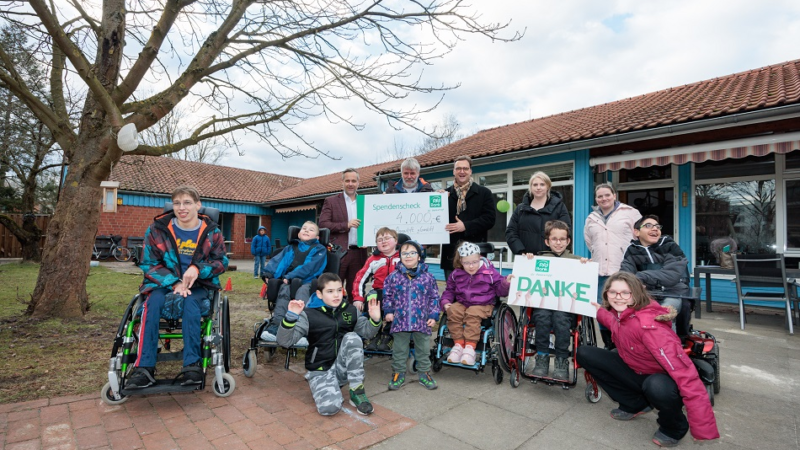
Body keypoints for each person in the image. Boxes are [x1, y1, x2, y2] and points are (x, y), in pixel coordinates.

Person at [577, 272, 719, 447]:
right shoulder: (622, 314)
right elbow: (610, 320)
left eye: (625, 292)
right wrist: (586, 303)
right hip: (636, 370)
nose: (618, 297)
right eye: (612, 292)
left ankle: (674, 427)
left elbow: (687, 376)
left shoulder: (650, 327)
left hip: (661, 379)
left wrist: (703, 427)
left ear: (636, 293)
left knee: (656, 386)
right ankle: (634, 403)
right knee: (585, 353)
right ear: (606, 294)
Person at [127, 186, 228, 388]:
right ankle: (144, 368)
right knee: (151, 303)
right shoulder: (157, 229)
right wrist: (174, 282)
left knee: (191, 304)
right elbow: (148, 263)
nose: (182, 208)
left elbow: (221, 262)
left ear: (198, 205)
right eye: (177, 203)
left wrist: (198, 269)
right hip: (164, 283)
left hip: (198, 285)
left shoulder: (211, 232)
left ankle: (192, 364)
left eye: (187, 202)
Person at [277, 273, 382, 416]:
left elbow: (367, 333)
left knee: (352, 338)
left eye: (339, 290)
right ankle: (328, 385)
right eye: (330, 291)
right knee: (330, 409)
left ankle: (357, 390)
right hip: (321, 369)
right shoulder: (308, 314)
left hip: (342, 368)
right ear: (319, 294)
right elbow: (284, 341)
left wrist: (375, 320)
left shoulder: (350, 310)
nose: (336, 295)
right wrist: (291, 317)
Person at [525, 220, 588, 381]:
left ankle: (561, 360)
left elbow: (584, 283)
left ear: (568, 241)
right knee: (541, 316)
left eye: (562, 239)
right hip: (543, 306)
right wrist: (528, 262)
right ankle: (542, 357)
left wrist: (585, 266)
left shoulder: (576, 260)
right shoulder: (538, 259)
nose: (558, 242)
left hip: (566, 309)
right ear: (547, 241)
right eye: (554, 239)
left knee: (561, 318)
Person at [584, 183, 641, 348]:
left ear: (614, 195)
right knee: (603, 309)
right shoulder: (591, 218)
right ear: (596, 199)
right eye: (600, 196)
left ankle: (626, 344)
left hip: (623, 270)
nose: (604, 199)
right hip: (600, 271)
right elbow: (590, 242)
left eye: (607, 195)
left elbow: (639, 237)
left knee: (624, 308)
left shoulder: (630, 213)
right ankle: (609, 344)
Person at [440, 241, 512, 366]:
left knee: (472, 314)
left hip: (484, 304)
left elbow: (501, 290)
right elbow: (449, 290)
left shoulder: (489, 273)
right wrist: (446, 302)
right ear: (461, 261)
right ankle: (458, 344)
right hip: (463, 302)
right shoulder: (456, 274)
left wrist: (506, 283)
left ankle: (470, 348)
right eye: (467, 263)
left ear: (480, 258)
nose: (471, 266)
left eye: (474, 262)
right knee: (453, 311)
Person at [383, 240, 440, 390]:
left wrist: (433, 315)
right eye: (404, 253)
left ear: (419, 257)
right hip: (400, 320)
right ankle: (398, 373)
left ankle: (424, 373)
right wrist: (388, 312)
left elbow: (434, 297)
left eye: (412, 253)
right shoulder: (393, 277)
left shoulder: (428, 278)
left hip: (421, 320)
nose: (408, 256)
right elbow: (387, 296)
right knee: (399, 349)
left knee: (423, 349)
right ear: (400, 256)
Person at [260, 221, 327, 341]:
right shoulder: (290, 248)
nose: (306, 230)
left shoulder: (319, 249)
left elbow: (310, 267)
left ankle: (301, 329)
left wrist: (291, 276)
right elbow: (278, 262)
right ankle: (276, 325)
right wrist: (269, 273)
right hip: (289, 281)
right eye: (304, 228)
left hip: (308, 281)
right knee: (283, 291)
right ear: (298, 234)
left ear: (317, 237)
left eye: (311, 229)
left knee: (302, 293)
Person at [620, 215, 690, 326]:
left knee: (664, 313)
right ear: (637, 232)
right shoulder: (631, 250)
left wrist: (639, 277)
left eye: (657, 226)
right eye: (648, 225)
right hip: (644, 294)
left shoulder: (670, 246)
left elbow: (671, 275)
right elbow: (626, 275)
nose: (655, 229)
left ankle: (671, 342)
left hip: (672, 292)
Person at [442, 156, 496, 279]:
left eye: (465, 168)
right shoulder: (444, 195)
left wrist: (466, 226)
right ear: (453, 171)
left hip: (476, 254)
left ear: (470, 171)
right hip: (450, 255)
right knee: (453, 293)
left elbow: (490, 219)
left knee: (476, 293)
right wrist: (436, 200)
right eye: (458, 168)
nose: (462, 171)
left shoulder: (484, 193)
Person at [319, 168, 368, 298]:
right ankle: (333, 316)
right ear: (342, 182)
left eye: (353, 181)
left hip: (359, 253)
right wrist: (346, 225)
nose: (350, 184)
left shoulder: (366, 201)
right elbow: (323, 225)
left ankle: (352, 317)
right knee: (334, 289)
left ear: (358, 182)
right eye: (347, 181)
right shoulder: (331, 201)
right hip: (338, 253)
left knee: (355, 290)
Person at [352, 227, 401, 351]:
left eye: (387, 238)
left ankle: (388, 335)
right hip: (379, 291)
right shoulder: (373, 260)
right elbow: (360, 278)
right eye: (379, 240)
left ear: (396, 241)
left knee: (402, 300)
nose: (383, 241)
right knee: (372, 297)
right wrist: (358, 298)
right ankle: (375, 334)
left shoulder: (403, 258)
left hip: (398, 292)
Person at [506, 171, 571, 257]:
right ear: (531, 187)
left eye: (542, 184)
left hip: (551, 258)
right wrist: (521, 251)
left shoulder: (559, 207)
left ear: (548, 186)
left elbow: (566, 231)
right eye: (535, 185)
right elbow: (511, 232)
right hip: (526, 259)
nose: (538, 187)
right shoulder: (520, 209)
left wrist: (554, 252)